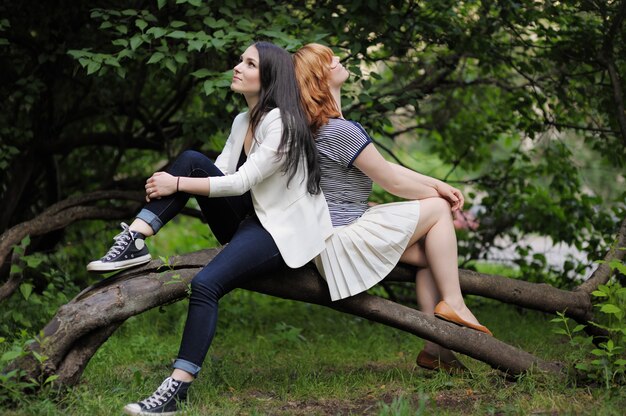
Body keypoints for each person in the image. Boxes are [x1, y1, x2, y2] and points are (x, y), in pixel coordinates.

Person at [87, 41, 333, 415]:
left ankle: (175, 391)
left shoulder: (281, 123)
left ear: (267, 77)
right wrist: (182, 178)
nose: (237, 67)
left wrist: (178, 184)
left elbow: (240, 183)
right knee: (190, 160)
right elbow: (219, 172)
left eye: (249, 63)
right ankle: (135, 239)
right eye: (241, 60)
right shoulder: (242, 121)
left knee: (205, 284)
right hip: (250, 219)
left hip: (281, 233)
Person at [293, 43, 492, 374]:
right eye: (331, 61)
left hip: (331, 235)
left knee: (433, 258)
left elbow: (387, 169)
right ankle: (455, 303)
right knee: (439, 210)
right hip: (343, 238)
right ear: (319, 77)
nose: (340, 61)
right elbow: (392, 183)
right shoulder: (339, 130)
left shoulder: (322, 126)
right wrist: (439, 192)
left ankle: (435, 351)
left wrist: (436, 183)